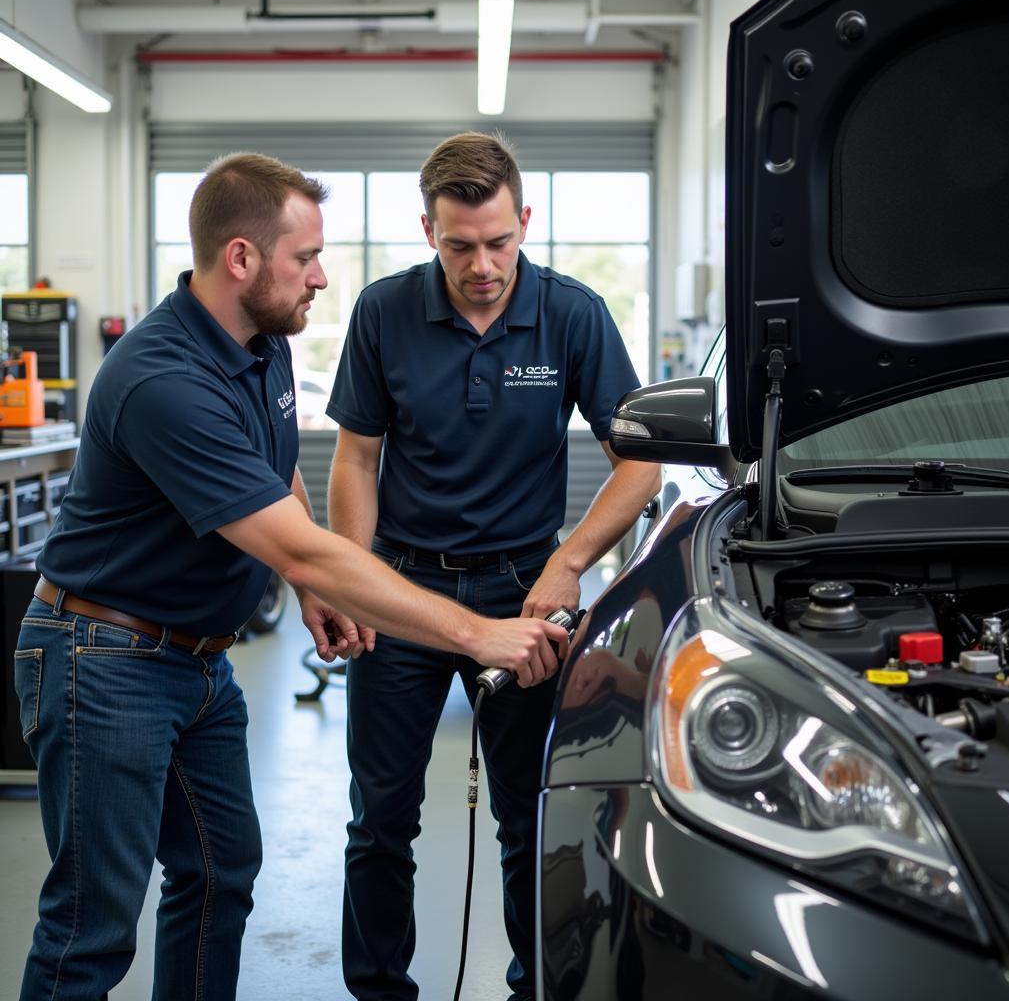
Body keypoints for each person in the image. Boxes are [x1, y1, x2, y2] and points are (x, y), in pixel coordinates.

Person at [13, 152, 566, 1001]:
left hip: (196, 663)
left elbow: (279, 482)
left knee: (220, 875)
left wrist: (310, 587)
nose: (320, 277)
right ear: (241, 259)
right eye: (305, 258)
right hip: (105, 660)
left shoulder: (263, 341)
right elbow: (303, 544)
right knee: (93, 921)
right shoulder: (162, 380)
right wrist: (475, 631)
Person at [326, 131, 661, 1001]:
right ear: (427, 230)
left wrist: (568, 563)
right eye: (458, 245)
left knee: (529, 816)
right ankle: (378, 989)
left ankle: (531, 989)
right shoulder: (381, 311)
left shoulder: (572, 314)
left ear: (526, 219)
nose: (481, 264)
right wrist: (353, 581)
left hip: (522, 593)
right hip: (402, 590)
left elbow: (642, 461)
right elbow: (356, 460)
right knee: (381, 820)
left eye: (499, 242)